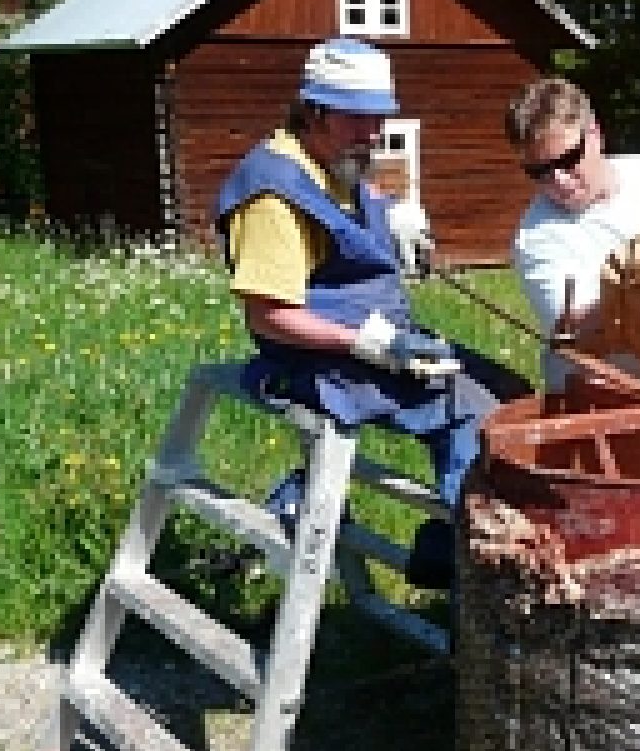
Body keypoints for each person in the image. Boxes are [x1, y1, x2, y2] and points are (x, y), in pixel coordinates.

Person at [214, 38, 525, 588]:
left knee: (510, 388)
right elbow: (267, 316)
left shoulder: (326, 161)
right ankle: (470, 562)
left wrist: (393, 214)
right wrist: (368, 345)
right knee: (481, 416)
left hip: (378, 344)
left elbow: (347, 207)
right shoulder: (270, 194)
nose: (374, 133)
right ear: (314, 110)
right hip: (313, 362)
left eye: (379, 118)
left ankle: (444, 534)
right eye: (359, 119)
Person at [505, 78, 640, 390]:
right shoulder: (537, 238)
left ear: (595, 134)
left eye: (567, 160)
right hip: (606, 407)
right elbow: (580, 328)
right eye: (539, 172)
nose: (560, 182)